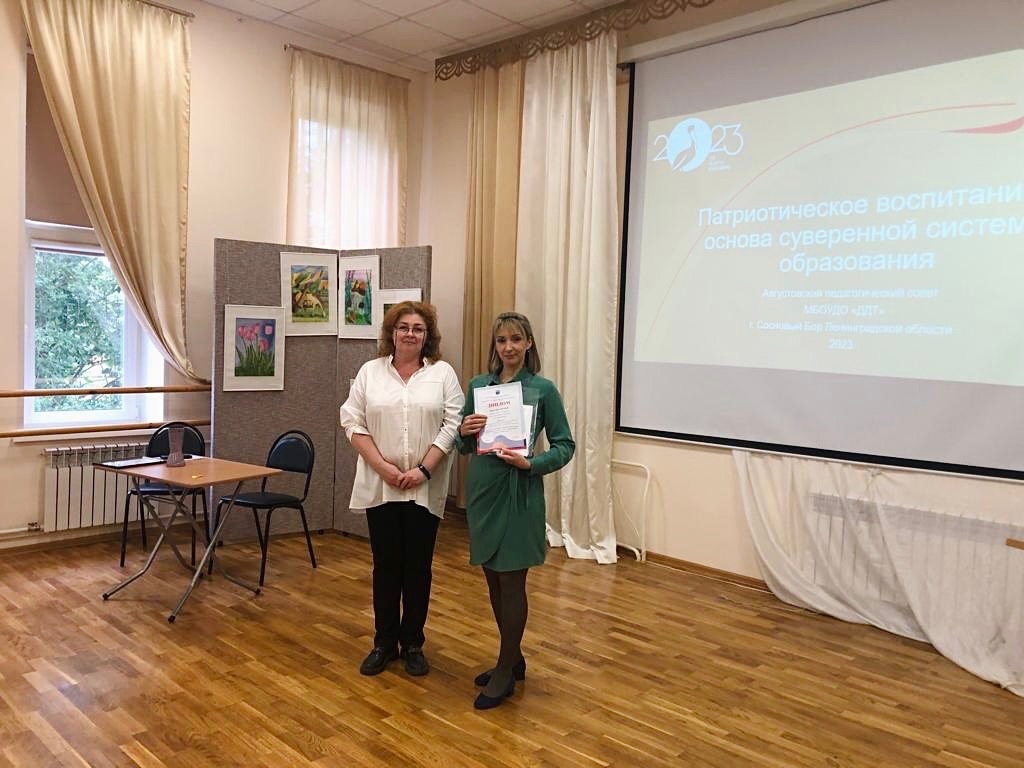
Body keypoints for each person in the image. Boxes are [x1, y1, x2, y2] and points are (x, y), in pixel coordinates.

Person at [457, 311, 575, 710]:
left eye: (516, 339)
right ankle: (514, 657)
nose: (508, 347)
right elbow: (463, 445)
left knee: (512, 583)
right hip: (483, 492)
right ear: (495, 345)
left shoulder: (543, 390)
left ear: (528, 343)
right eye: (501, 340)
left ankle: (505, 669)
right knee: (493, 580)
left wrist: (532, 464)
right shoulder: (479, 386)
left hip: (519, 492)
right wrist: (464, 431)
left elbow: (565, 445)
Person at [339, 301, 464, 677]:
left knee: (418, 568)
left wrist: (424, 469)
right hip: (382, 486)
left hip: (425, 487)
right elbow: (352, 421)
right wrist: (383, 468)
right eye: (404, 327)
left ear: (428, 336)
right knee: (386, 566)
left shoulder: (442, 374)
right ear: (391, 332)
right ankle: (384, 642)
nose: (410, 333)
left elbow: (453, 423)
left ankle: (413, 643)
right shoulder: (370, 372)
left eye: (418, 328)